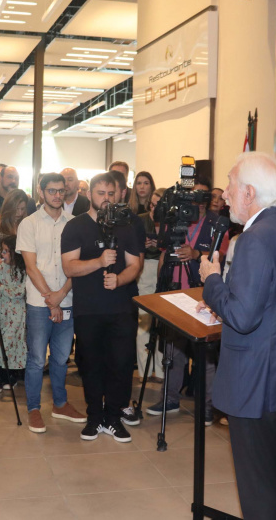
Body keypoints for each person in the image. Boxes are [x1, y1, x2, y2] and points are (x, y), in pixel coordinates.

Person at [197, 152, 276, 520]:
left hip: (258, 381)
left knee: (258, 484)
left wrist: (212, 281)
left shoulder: (254, 238)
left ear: (249, 192)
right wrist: (226, 297)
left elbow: (243, 316)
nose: (226, 195)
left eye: (232, 184)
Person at [62, 172, 142, 443]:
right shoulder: (75, 227)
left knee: (120, 366)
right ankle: (95, 417)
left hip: (121, 308)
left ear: (119, 194)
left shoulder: (127, 226)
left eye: (111, 193)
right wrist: (98, 261)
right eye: (100, 193)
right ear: (89, 195)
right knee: (92, 365)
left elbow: (135, 265)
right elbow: (69, 266)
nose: (106, 198)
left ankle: (113, 418)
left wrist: (119, 279)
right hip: (89, 309)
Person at [148, 177, 228, 425]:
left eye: (204, 195)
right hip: (174, 295)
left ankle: (208, 407)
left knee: (205, 358)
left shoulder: (218, 224)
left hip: (203, 298)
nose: (198, 200)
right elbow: (164, 254)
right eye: (193, 194)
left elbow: (221, 257)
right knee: (173, 352)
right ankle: (169, 398)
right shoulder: (176, 220)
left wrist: (196, 254)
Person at [17, 172, 85, 433]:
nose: (57, 195)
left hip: (67, 298)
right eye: (52, 190)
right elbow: (31, 267)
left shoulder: (74, 223)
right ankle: (34, 408)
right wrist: (51, 300)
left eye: (61, 191)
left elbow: (75, 266)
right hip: (39, 302)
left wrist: (62, 294)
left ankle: (60, 403)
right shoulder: (29, 224)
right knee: (36, 359)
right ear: (40, 191)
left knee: (60, 358)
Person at [0, 189, 29, 388]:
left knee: (19, 332)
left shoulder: (28, 223)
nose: (19, 213)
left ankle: (16, 368)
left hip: (21, 275)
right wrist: (3, 258)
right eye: (16, 209)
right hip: (2, 275)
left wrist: (21, 260)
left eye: (23, 209)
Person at [0, 236, 27, 390]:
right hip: (1, 311)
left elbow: (20, 291)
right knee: (0, 341)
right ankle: (2, 375)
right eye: (2, 251)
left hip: (17, 313)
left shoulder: (23, 270)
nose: (3, 255)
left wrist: (2, 287)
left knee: (11, 342)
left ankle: (9, 375)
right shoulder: (0, 267)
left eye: (6, 251)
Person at [136, 188, 165, 381]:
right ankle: (144, 371)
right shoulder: (140, 219)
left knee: (164, 324)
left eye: (158, 205)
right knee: (144, 323)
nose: (154, 209)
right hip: (144, 269)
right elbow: (129, 246)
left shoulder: (173, 222)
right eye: (152, 205)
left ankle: (162, 371)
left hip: (165, 271)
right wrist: (141, 246)